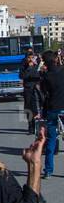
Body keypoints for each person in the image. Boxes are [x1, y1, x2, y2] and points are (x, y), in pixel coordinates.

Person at [40, 49, 64, 179]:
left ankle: (48, 170)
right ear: (55, 60)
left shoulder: (46, 77)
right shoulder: (62, 71)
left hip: (52, 109)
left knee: (51, 141)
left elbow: (45, 95)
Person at [19, 50, 43, 135]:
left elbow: (41, 74)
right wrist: (29, 67)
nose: (31, 59)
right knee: (28, 108)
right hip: (28, 88)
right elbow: (22, 76)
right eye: (29, 57)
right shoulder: (24, 65)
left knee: (38, 107)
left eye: (32, 57)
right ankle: (31, 127)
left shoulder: (38, 64)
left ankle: (39, 126)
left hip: (37, 87)